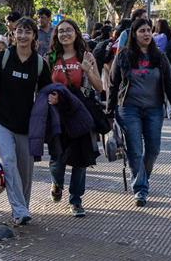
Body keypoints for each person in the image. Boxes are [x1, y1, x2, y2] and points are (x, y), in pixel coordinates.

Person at [0, 17, 52, 225]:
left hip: (27, 125)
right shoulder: (3, 57)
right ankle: (19, 209)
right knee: (9, 162)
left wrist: (53, 98)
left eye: (28, 32)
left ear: (34, 36)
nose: (23, 36)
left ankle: (23, 209)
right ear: (13, 34)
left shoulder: (38, 63)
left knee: (25, 173)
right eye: (19, 31)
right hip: (1, 122)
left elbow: (46, 92)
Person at [106, 18, 171, 207]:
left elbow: (170, 84)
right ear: (134, 34)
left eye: (149, 30)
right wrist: (109, 111)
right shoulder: (122, 57)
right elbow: (113, 85)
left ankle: (142, 178)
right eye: (142, 31)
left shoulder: (160, 57)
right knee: (136, 150)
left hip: (154, 109)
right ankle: (140, 189)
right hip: (128, 109)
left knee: (153, 150)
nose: (146, 34)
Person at [46, 18, 103, 217]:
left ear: (76, 33)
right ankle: (57, 182)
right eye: (61, 31)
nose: (65, 34)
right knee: (57, 159)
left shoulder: (86, 56)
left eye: (69, 30)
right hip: (57, 115)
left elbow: (99, 87)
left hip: (79, 114)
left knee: (80, 160)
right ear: (56, 35)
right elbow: (43, 86)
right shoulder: (51, 58)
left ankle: (76, 200)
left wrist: (87, 70)